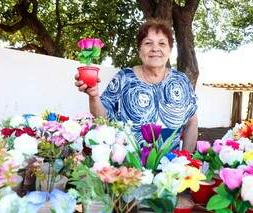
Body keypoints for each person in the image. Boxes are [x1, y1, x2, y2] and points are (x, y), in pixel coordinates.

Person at [75, 19, 198, 152]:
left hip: (171, 169)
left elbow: (191, 122)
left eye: (162, 43)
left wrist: (186, 160)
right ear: (139, 50)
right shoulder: (124, 78)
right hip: (128, 168)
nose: (155, 48)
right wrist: (93, 96)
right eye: (148, 43)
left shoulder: (181, 81)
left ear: (169, 50)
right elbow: (102, 117)